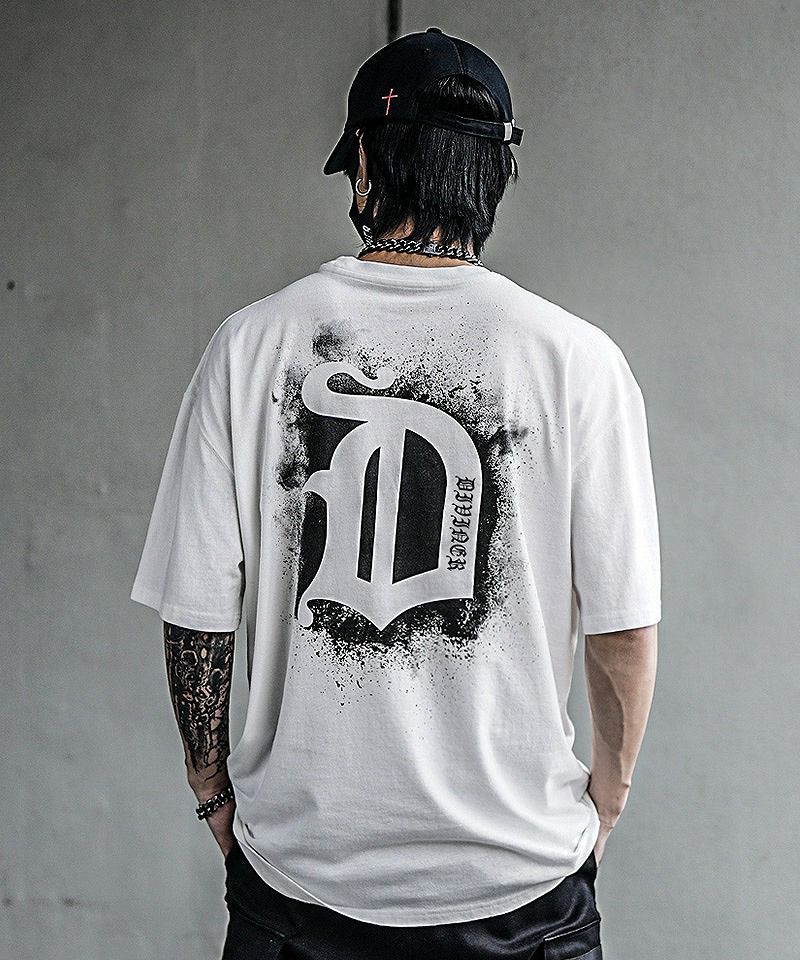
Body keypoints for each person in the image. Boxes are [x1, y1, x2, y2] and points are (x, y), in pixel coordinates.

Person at [130, 26, 660, 960]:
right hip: (520, 886)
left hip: (301, 885)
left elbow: (198, 618)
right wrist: (606, 804)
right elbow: (622, 631)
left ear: (366, 166)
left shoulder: (252, 346)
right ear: (496, 174)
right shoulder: (577, 360)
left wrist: (212, 792)